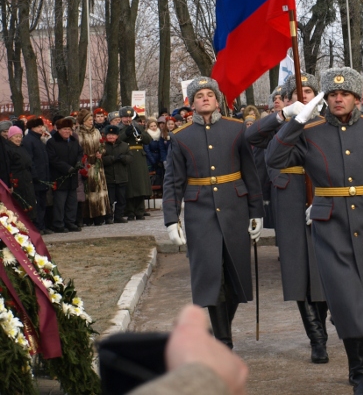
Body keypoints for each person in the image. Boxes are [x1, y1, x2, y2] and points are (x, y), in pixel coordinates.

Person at [267, 67, 363, 395]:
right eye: (331, 94)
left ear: (357, 97)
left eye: (344, 94)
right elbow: (274, 158)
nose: (338, 98)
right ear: (324, 100)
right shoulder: (309, 131)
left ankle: (351, 337)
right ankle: (360, 372)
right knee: (347, 298)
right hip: (329, 226)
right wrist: (297, 120)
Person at [163, 76, 264, 349]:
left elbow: (250, 173)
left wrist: (257, 211)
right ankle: (223, 339)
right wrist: (171, 219)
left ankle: (221, 329)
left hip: (235, 208)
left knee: (234, 276)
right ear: (192, 104)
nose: (205, 98)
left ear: (217, 100)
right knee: (210, 276)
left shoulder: (237, 129)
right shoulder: (181, 136)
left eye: (209, 94)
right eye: (199, 95)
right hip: (200, 213)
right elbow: (172, 181)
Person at [246, 73, 330, 363]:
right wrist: (284, 116)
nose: (304, 96)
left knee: (324, 266)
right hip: (289, 196)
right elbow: (252, 137)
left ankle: (323, 323)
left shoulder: (328, 120)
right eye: (298, 92)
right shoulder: (283, 120)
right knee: (297, 270)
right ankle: (316, 337)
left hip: (323, 194)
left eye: (309, 91)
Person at [75, 109, 111, 226]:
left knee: (99, 191)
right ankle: (87, 216)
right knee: (88, 191)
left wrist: (101, 152)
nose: (91, 122)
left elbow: (102, 145)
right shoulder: (78, 133)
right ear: (83, 121)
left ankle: (100, 214)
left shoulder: (96, 132)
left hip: (97, 165)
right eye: (89, 120)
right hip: (86, 165)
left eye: (92, 120)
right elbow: (77, 150)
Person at [46, 117, 83, 233]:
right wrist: (67, 168)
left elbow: (80, 153)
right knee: (59, 203)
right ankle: (58, 223)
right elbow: (53, 159)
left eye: (69, 129)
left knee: (72, 202)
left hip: (72, 177)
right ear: (58, 130)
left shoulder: (73, 141)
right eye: (64, 129)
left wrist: (78, 162)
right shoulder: (52, 142)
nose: (67, 131)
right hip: (60, 177)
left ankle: (70, 222)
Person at [119, 106, 152, 221]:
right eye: (125, 117)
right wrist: (126, 134)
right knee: (130, 187)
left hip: (139, 158)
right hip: (128, 157)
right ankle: (130, 211)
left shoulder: (137, 126)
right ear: (121, 117)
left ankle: (140, 210)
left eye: (129, 117)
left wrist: (141, 135)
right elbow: (116, 140)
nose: (127, 119)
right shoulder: (118, 128)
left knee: (140, 186)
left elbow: (148, 140)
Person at [22, 117, 51, 233]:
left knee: (43, 202)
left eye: (41, 126)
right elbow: (30, 160)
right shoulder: (29, 140)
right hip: (37, 178)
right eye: (38, 127)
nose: (41, 128)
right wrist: (35, 175)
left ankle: (42, 225)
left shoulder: (38, 139)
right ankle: (38, 226)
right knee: (38, 203)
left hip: (43, 176)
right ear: (32, 128)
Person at [102, 124, 131, 224]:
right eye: (109, 135)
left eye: (113, 135)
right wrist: (113, 158)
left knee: (121, 199)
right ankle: (108, 217)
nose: (111, 137)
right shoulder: (103, 145)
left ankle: (119, 216)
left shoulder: (124, 145)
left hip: (121, 176)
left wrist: (123, 158)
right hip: (109, 176)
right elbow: (101, 160)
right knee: (109, 200)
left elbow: (130, 158)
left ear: (117, 136)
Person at [6, 126, 36, 216]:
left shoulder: (22, 147)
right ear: (10, 137)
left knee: (29, 203)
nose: (18, 139)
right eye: (16, 137)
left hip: (26, 179)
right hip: (17, 180)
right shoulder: (8, 149)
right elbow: (7, 167)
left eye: (20, 136)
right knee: (20, 205)